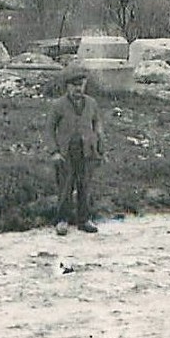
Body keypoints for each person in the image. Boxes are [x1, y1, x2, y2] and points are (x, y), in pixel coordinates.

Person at [46, 69, 105, 235]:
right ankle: (62, 220)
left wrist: (100, 148)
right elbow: (50, 130)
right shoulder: (58, 105)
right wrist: (54, 151)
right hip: (66, 152)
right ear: (67, 87)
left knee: (84, 186)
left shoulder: (91, 103)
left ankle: (84, 220)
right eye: (74, 86)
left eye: (81, 85)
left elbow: (98, 125)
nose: (78, 89)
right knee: (65, 186)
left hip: (86, 150)